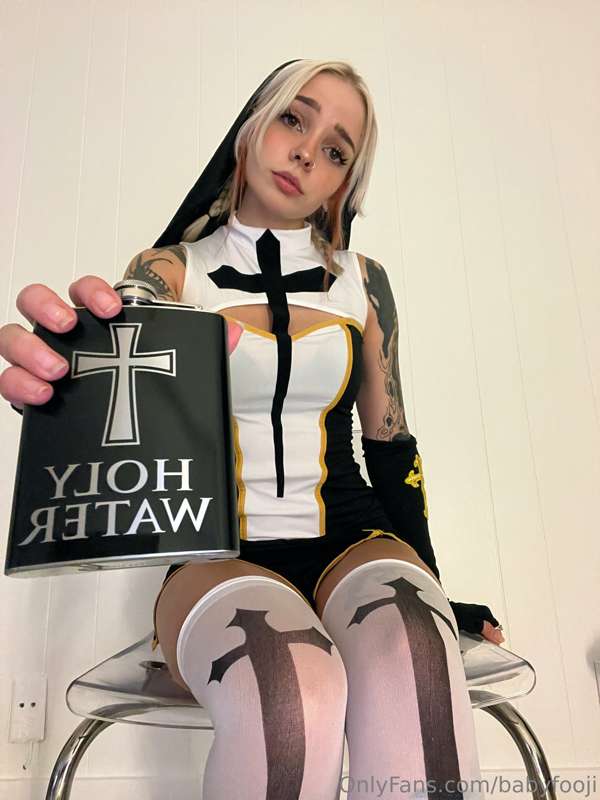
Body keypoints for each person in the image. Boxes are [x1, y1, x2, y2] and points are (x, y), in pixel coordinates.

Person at [0, 59, 504, 799]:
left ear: (344, 185)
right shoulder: (168, 272)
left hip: (357, 535)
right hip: (218, 553)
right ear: (250, 128)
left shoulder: (365, 283)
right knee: (292, 691)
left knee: (420, 656)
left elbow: (391, 445)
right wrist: (62, 396)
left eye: (336, 150)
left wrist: (436, 590)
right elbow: (116, 386)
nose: (306, 152)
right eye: (294, 118)